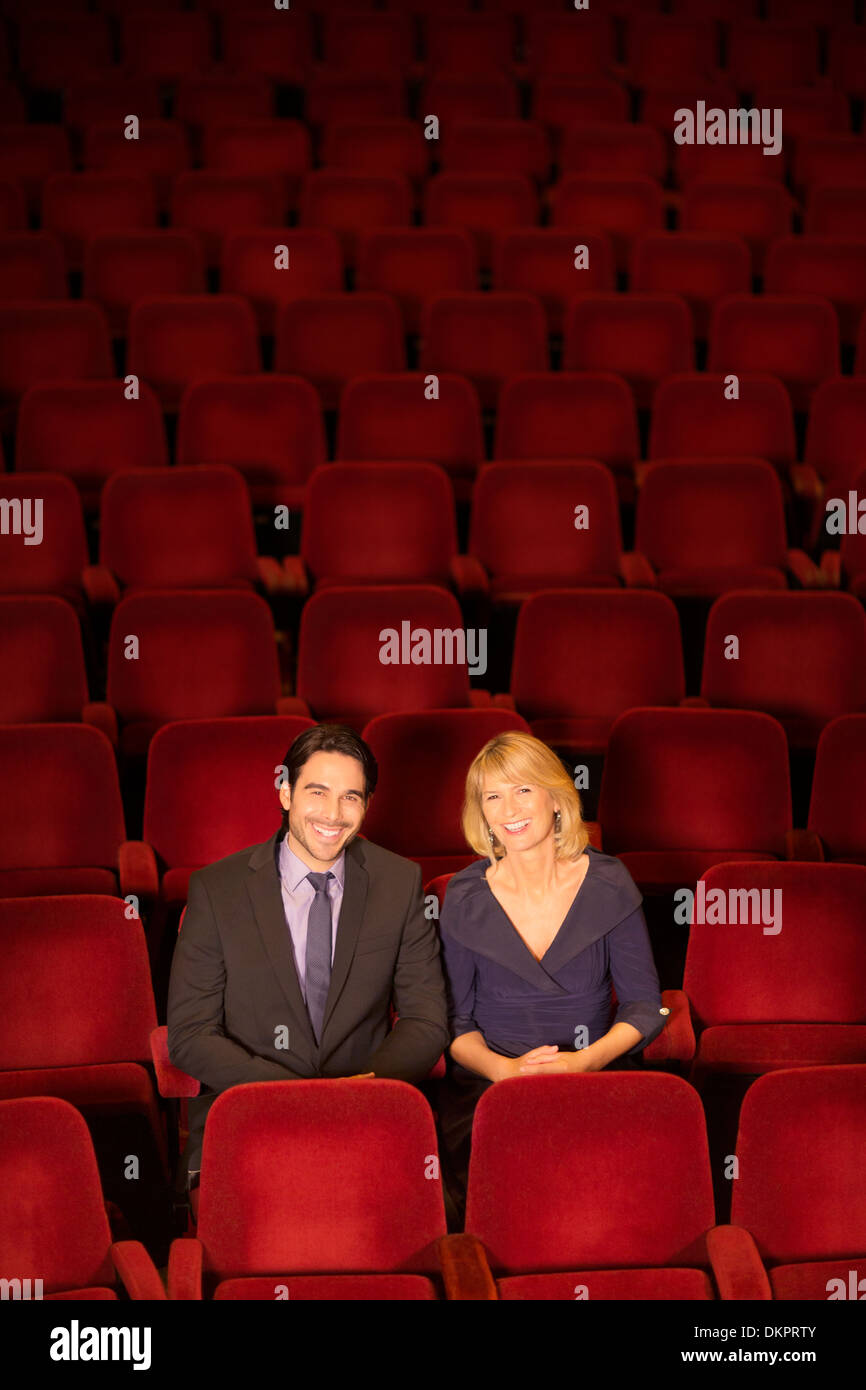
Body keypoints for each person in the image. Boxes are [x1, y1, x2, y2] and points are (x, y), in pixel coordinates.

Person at [167, 724, 449, 1186]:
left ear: (366, 805)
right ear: (286, 794)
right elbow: (190, 1034)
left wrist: (362, 1089)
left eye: (350, 797)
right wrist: (296, 1098)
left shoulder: (399, 883)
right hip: (251, 1114)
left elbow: (426, 1020)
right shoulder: (218, 890)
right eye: (317, 792)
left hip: (367, 1110)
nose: (333, 814)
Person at [436, 730, 668, 1227]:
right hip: (489, 1089)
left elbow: (644, 1006)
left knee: (610, 1203)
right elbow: (454, 1023)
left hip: (595, 1074)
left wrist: (585, 1062)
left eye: (523, 789)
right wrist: (504, 1072)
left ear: (556, 799)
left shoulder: (609, 882)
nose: (509, 808)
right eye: (492, 796)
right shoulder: (463, 895)